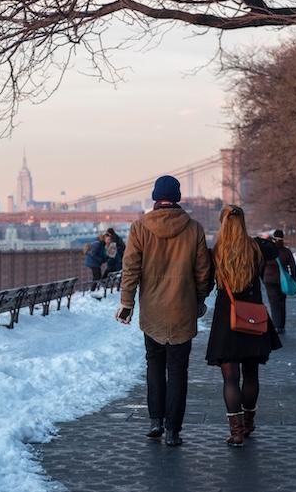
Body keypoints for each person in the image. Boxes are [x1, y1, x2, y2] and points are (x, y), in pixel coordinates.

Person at [117, 175, 212, 447]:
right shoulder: (194, 228)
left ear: (155, 197)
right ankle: (173, 431)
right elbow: (203, 271)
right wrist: (199, 299)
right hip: (183, 310)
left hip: (153, 313)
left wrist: (127, 303)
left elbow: (131, 269)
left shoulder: (139, 227)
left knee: (154, 365)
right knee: (178, 371)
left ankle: (155, 421)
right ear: (177, 197)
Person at [206, 205, 282, 448]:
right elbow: (275, 249)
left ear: (223, 224)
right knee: (251, 374)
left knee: (230, 379)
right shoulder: (256, 248)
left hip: (226, 319)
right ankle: (249, 424)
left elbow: (206, 281)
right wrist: (262, 238)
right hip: (252, 316)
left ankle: (236, 432)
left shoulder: (216, 251)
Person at [262, 229, 296, 334]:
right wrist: (293, 280)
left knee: (274, 303)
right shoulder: (286, 252)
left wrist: (262, 277)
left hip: (269, 280)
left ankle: (276, 326)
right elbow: (293, 267)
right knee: (282, 302)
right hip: (283, 281)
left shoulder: (267, 251)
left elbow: (261, 265)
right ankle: (281, 325)